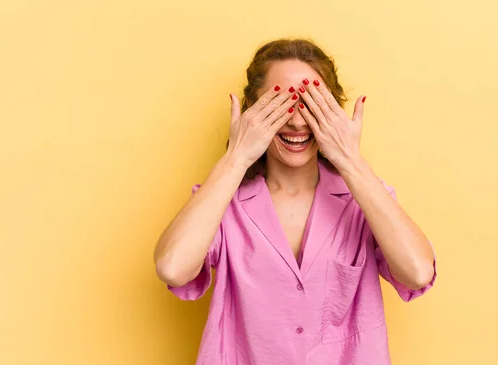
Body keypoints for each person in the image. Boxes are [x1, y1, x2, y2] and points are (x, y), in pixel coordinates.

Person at [154, 38, 437, 365]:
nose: (297, 122)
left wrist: (351, 161)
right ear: (252, 111)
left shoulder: (364, 200)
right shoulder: (221, 202)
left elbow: (417, 272)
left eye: (312, 104)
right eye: (280, 104)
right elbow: (173, 268)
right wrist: (236, 158)